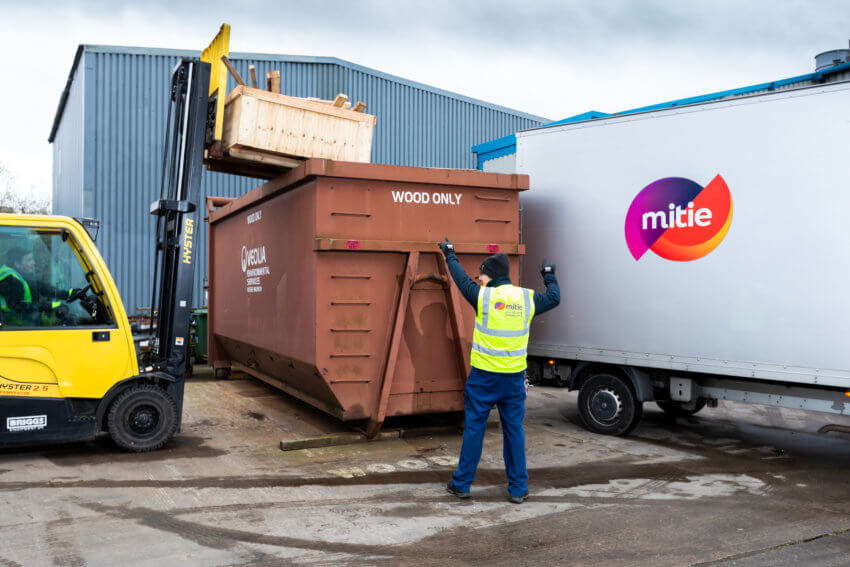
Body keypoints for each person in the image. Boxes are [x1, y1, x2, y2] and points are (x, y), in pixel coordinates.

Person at [438, 237, 560, 504]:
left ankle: (462, 484)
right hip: (514, 380)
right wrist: (548, 275)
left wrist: (450, 253)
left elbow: (460, 280)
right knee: (514, 431)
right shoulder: (527, 298)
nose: (478, 278)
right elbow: (554, 298)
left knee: (474, 430)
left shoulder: (483, 297)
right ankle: (517, 488)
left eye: (481, 274)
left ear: (490, 275)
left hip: (483, 379)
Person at [0, 248, 76, 326]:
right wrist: (46, 306)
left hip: (22, 324)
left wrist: (67, 294)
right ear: (17, 264)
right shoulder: (9, 280)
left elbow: (42, 287)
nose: (34, 263)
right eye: (29, 260)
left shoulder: (20, 274)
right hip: (12, 327)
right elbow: (19, 306)